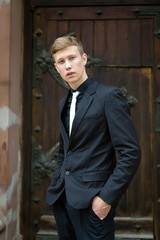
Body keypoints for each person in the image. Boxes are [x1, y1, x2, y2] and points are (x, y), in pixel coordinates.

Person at [46, 35, 141, 240]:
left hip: (93, 203)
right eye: (61, 62)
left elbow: (130, 153)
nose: (68, 66)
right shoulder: (63, 104)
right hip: (63, 199)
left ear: (84, 59)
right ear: (56, 68)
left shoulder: (108, 97)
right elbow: (65, 150)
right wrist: (58, 181)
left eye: (72, 58)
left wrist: (106, 198)